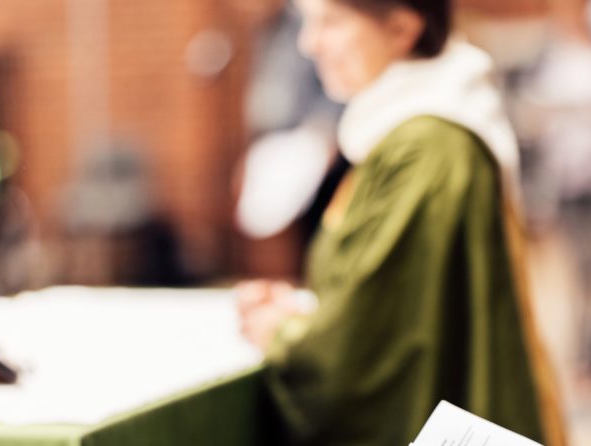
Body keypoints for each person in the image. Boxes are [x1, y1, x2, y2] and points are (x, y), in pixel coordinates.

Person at [235, 0, 565, 445]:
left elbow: (365, 351)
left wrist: (284, 335)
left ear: (402, 28)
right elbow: (389, 299)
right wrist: (306, 314)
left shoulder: (426, 148)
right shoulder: (403, 131)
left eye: (329, 22)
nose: (309, 44)